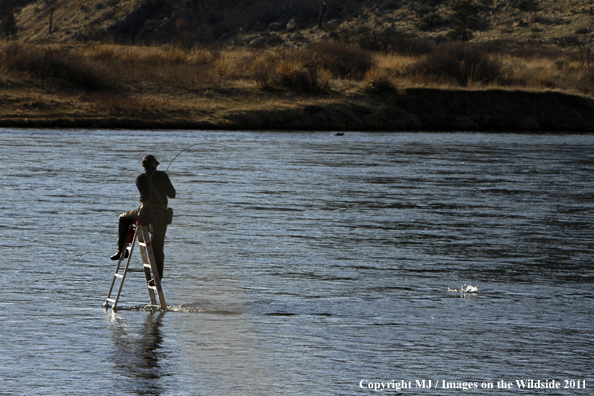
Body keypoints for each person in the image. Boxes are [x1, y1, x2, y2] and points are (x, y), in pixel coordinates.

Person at [111, 154, 176, 283]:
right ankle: (158, 277)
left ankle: (122, 251)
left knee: (123, 218)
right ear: (153, 163)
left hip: (143, 212)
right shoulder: (162, 175)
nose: (157, 166)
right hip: (159, 214)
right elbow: (172, 194)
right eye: (156, 164)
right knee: (157, 246)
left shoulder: (139, 178)